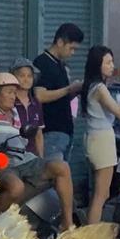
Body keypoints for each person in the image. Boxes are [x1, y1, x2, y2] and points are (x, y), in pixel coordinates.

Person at [0, 72, 75, 231]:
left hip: (24, 159)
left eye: (14, 92)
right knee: (16, 187)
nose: (13, 96)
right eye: (9, 92)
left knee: (62, 167)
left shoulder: (15, 114)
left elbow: (23, 140)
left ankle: (67, 223)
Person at [80, 45, 120, 224]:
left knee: (100, 192)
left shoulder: (94, 85)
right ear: (98, 65)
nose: (112, 66)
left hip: (96, 137)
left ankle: (91, 234)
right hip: (101, 140)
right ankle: (91, 237)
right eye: (108, 62)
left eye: (112, 62)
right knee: (100, 194)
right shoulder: (99, 89)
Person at [34, 23, 85, 161]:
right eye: (71, 48)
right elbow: (40, 95)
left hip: (65, 130)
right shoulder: (43, 63)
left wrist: (75, 91)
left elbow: (60, 97)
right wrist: (69, 88)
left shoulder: (60, 65)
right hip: (51, 130)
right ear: (60, 42)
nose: (72, 53)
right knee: (54, 173)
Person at [11, 57, 45, 157]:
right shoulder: (9, 101)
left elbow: (39, 134)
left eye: (30, 76)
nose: (26, 79)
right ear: (13, 77)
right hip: (13, 155)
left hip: (32, 156)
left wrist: (41, 158)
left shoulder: (36, 103)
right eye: (22, 75)